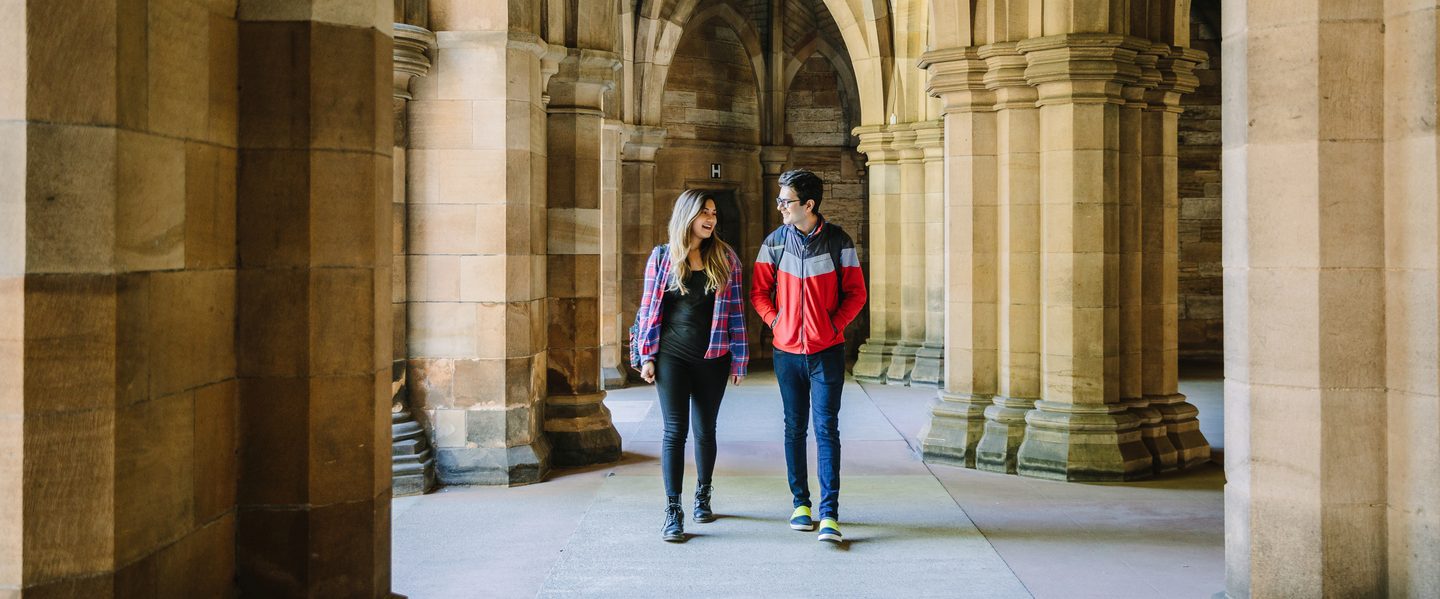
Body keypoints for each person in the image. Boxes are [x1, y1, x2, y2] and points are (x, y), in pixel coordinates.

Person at [750, 169, 867, 543]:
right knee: (794, 427)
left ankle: (829, 513)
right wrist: (777, 322)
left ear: (809, 205)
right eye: (780, 200)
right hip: (786, 354)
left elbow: (856, 293)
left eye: (787, 201)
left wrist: (833, 327)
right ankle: (801, 503)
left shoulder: (838, 242)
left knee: (826, 429)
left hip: (827, 352)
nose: (781, 207)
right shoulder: (773, 243)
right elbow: (758, 292)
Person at [630, 189, 749, 543]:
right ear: (688, 216)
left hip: (714, 356)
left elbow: (737, 314)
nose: (711, 218)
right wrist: (646, 355)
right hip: (672, 357)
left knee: (705, 430)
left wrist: (739, 358)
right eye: (704, 213)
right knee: (674, 432)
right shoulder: (663, 257)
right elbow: (649, 309)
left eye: (713, 212)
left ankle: (703, 495)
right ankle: (672, 510)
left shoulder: (727, 258)